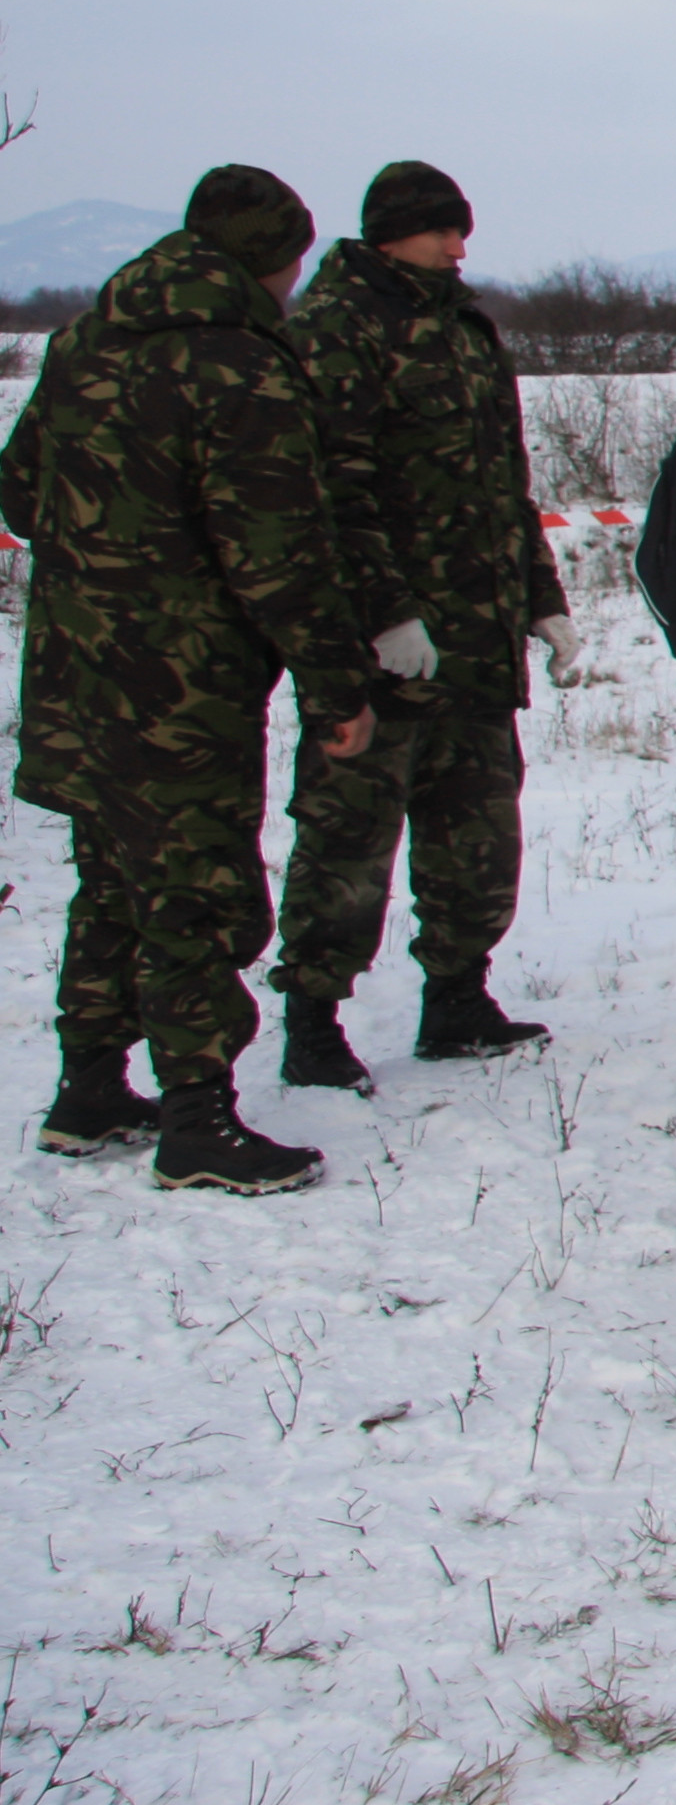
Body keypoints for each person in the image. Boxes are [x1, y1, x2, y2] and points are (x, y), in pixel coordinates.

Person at [9, 168, 376, 1191]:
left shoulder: (84, 343)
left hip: (77, 673)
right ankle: (199, 1122)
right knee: (197, 892)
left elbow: (20, 488)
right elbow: (281, 556)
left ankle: (88, 1089)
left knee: (114, 881)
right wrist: (337, 686)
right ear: (273, 260)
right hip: (183, 688)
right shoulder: (240, 368)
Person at [270, 162, 577, 1091]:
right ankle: (314, 1021)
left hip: (476, 644)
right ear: (391, 232)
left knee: (477, 832)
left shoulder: (467, 329)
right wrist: (384, 615)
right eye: (443, 230)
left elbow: (504, 485)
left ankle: (457, 997)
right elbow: (334, 487)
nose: (460, 245)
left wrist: (543, 597)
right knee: (349, 836)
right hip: (387, 653)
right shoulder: (340, 328)